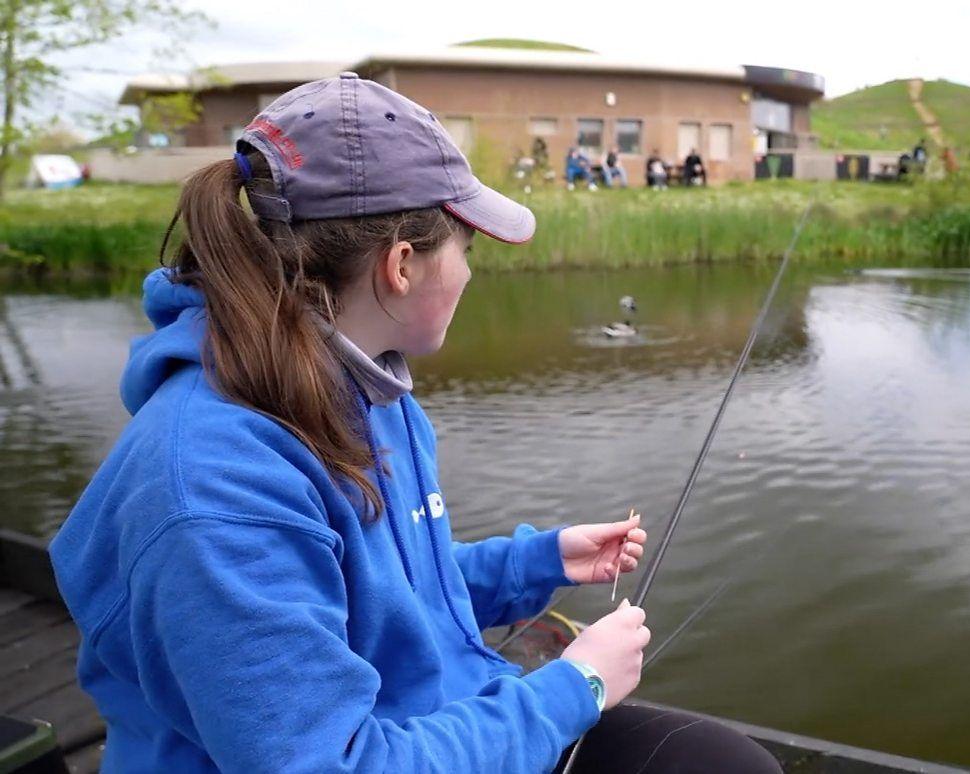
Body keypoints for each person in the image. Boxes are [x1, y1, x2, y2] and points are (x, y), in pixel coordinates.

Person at [49, 73, 782, 774]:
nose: (469, 273)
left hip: (431, 721)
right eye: (467, 249)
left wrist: (541, 563)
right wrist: (576, 686)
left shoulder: (368, 389)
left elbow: (382, 590)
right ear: (402, 265)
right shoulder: (215, 488)